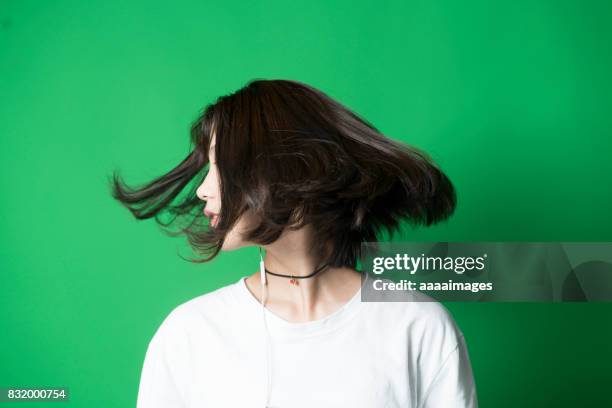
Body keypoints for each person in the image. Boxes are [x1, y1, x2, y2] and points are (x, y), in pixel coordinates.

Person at [110, 79, 478, 407]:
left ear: (286, 170)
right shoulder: (189, 334)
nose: (204, 190)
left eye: (220, 167)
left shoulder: (418, 326)